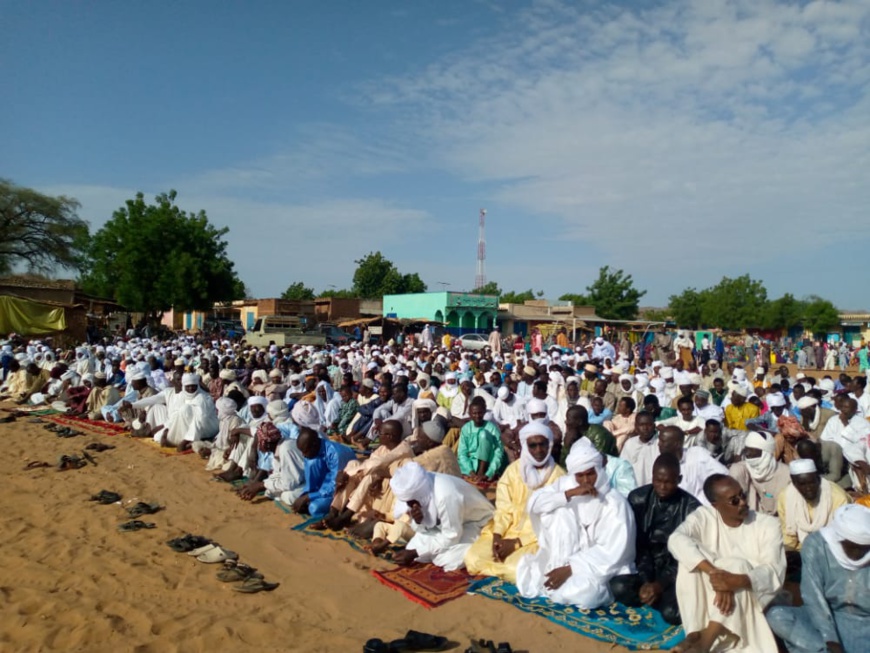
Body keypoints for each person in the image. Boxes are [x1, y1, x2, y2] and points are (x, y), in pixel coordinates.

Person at [668, 474, 786, 653]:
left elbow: (774, 571)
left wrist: (736, 581)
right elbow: (675, 539)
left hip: (757, 595)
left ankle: (705, 642)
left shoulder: (768, 525)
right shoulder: (704, 516)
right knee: (688, 561)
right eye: (734, 500)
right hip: (716, 592)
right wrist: (716, 574)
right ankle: (694, 634)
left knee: (738, 566)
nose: (743, 502)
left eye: (742, 495)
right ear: (716, 506)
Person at [515, 438, 636, 608]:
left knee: (584, 595)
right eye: (580, 475)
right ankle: (557, 570)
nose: (586, 481)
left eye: (590, 474)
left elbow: (612, 552)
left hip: (598, 567)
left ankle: (567, 578)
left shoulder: (615, 504)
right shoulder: (567, 485)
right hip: (563, 559)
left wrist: (571, 568)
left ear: (599, 470)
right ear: (573, 475)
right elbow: (535, 503)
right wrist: (569, 494)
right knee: (558, 511)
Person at [464, 421, 565, 582]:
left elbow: (553, 524)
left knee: (515, 568)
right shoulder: (513, 471)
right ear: (525, 446)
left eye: (543, 444)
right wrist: (497, 536)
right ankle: (502, 569)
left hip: (535, 539)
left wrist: (517, 543)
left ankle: (503, 570)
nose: (539, 450)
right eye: (533, 445)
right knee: (472, 559)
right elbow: (503, 508)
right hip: (506, 531)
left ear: (550, 445)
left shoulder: (559, 478)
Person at [609, 453, 700, 625]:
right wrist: (645, 580)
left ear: (679, 480)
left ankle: (659, 597)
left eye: (668, 482)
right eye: (658, 480)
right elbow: (636, 544)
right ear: (652, 477)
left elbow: (688, 556)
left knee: (672, 613)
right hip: (644, 564)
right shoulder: (638, 499)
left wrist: (660, 584)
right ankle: (650, 594)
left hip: (675, 570)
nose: (662, 486)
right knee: (618, 587)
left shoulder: (691, 508)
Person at [766, 504, 870, 653]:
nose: (856, 553)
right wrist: (830, 640)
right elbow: (813, 597)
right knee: (777, 616)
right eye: (852, 546)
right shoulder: (816, 545)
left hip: (866, 627)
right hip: (825, 620)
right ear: (838, 538)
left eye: (863, 548)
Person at [389, 461, 495, 571]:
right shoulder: (420, 491)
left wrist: (416, 552)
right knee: (413, 547)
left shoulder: (446, 496)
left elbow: (452, 536)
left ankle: (484, 546)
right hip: (448, 526)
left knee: (448, 559)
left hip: (475, 523)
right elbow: (424, 529)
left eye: (410, 503)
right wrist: (418, 521)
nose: (410, 506)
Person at [318, 419, 413, 530]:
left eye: (380, 433)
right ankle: (334, 512)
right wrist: (345, 474)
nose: (377, 436)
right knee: (353, 464)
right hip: (376, 483)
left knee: (370, 475)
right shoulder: (383, 448)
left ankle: (346, 516)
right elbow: (368, 463)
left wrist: (347, 474)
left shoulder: (403, 450)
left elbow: (376, 464)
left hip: (390, 490)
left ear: (389, 436)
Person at [777, 458, 851, 560]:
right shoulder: (786, 497)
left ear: (818, 479)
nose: (808, 488)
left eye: (812, 482)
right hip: (800, 551)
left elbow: (843, 536)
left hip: (833, 551)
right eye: (802, 484)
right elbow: (788, 537)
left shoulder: (837, 497)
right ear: (794, 483)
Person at [291, 427, 357, 518]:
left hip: (342, 490)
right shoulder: (313, 451)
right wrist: (306, 495)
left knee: (314, 508)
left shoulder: (336, 454)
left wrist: (309, 497)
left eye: (305, 451)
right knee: (311, 462)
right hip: (324, 487)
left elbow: (336, 485)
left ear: (314, 444)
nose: (303, 455)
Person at [656, 426, 728, 506]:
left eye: (662, 441)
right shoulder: (659, 463)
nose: (658, 444)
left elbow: (723, 475)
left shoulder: (697, 454)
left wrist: (704, 502)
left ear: (676, 444)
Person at [728, 431, 791, 516]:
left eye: (752, 451)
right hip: (750, 517)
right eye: (747, 450)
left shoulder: (786, 473)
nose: (748, 454)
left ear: (765, 452)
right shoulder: (741, 469)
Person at [457, 397, 506, 481]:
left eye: (480, 413)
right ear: (470, 414)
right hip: (471, 464)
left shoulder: (492, 428)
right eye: (474, 413)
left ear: (484, 412)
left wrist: (489, 473)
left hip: (488, 464)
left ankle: (482, 471)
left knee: (484, 434)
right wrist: (471, 471)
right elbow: (462, 453)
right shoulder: (466, 428)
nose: (477, 416)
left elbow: (498, 453)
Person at [620, 411, 660, 485]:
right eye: (641, 425)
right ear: (636, 427)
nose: (645, 428)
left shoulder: (660, 444)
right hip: (633, 487)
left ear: (654, 426)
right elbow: (623, 468)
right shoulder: (630, 444)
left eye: (649, 425)